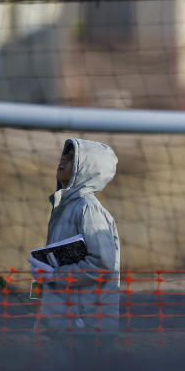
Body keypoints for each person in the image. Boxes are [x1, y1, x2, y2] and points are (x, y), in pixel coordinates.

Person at [27, 139, 121, 349]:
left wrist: (54, 275)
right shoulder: (63, 207)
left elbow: (102, 264)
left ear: (87, 169)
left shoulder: (88, 209)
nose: (62, 162)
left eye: (71, 159)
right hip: (64, 322)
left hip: (86, 326)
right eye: (63, 156)